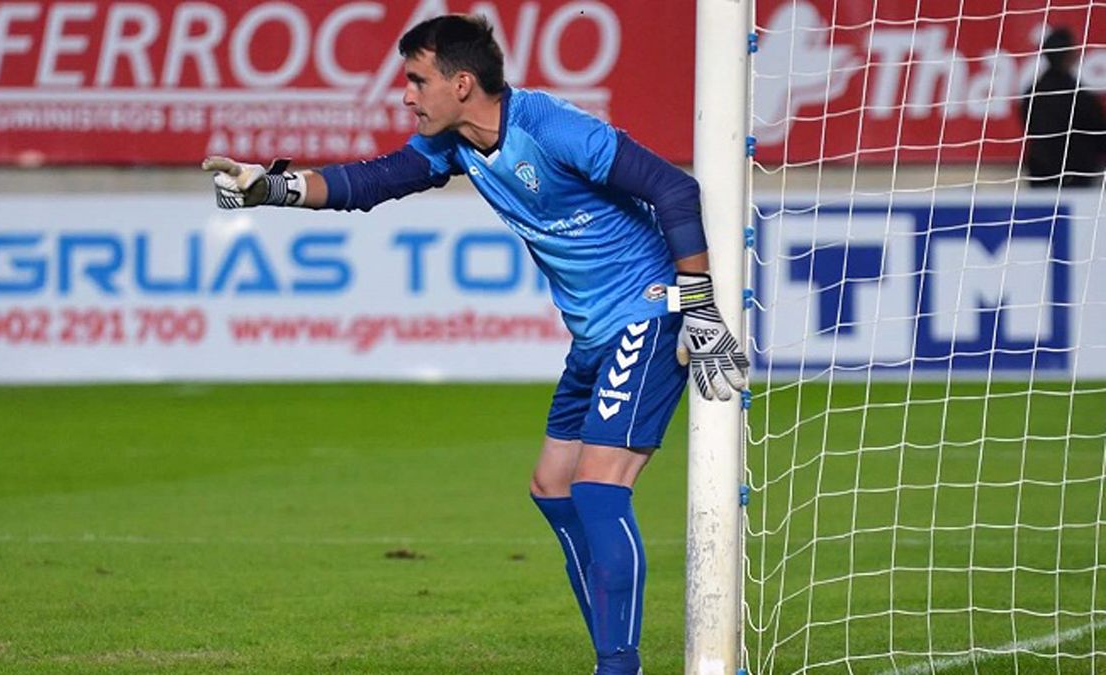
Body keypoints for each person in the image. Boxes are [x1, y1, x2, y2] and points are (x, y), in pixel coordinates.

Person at [203, 14, 747, 674]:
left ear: (462, 83)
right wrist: (272, 186)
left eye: (416, 80)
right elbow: (369, 183)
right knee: (552, 487)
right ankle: (612, 651)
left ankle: (619, 666)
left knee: (600, 491)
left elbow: (674, 186)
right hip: (594, 334)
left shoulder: (550, 127)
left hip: (649, 311)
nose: (406, 94)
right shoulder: (455, 146)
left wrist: (698, 304)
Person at [1019, 27, 1106, 188]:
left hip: (1041, 175)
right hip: (1076, 177)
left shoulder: (1032, 94)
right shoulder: (1080, 96)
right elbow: (1098, 131)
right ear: (1069, 55)